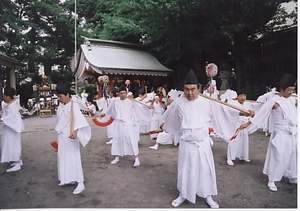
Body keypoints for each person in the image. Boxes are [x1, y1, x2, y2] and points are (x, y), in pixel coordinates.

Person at [162, 70, 252, 208]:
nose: (190, 93)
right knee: (185, 170)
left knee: (205, 169)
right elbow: (169, 117)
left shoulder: (207, 102)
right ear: (183, 89)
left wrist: (242, 112)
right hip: (187, 143)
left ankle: (208, 195)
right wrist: (164, 125)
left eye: (193, 89)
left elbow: (224, 111)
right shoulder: (179, 103)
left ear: (198, 89)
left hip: (202, 142)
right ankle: (183, 194)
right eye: (187, 89)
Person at [239, 74, 297, 192]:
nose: (291, 92)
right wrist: (247, 124)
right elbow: (260, 115)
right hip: (280, 133)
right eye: (289, 90)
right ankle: (272, 179)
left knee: (294, 155)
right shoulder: (274, 101)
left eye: (293, 90)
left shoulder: (292, 100)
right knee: (278, 156)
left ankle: (293, 176)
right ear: (282, 89)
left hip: (293, 133)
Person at [55, 82, 91, 195]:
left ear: (67, 94)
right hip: (62, 136)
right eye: (58, 96)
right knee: (63, 157)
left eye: (61, 96)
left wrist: (75, 131)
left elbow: (79, 120)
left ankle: (80, 182)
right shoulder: (61, 105)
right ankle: (68, 178)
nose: (59, 99)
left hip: (70, 136)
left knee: (73, 158)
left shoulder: (73, 105)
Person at [100, 85, 149, 167]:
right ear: (118, 94)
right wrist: (104, 114)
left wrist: (149, 107)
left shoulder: (131, 101)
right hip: (118, 123)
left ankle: (136, 158)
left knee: (131, 139)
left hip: (128, 123)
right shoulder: (115, 101)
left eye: (124, 93)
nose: (123, 95)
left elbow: (140, 107)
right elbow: (109, 109)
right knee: (117, 139)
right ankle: (117, 156)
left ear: (126, 93)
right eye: (121, 93)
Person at [1, 87, 25, 172]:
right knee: (10, 144)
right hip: (8, 128)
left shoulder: (13, 105)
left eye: (4, 95)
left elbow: (13, 117)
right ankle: (18, 160)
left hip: (13, 128)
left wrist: (3, 119)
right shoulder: (8, 103)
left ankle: (17, 163)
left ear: (8, 96)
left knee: (13, 145)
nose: (3, 96)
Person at [226, 89, 252, 166]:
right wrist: (243, 113)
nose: (243, 98)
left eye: (244, 96)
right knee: (233, 141)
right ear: (238, 96)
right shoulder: (233, 103)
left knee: (244, 141)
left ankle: (243, 156)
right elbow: (231, 111)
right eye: (241, 95)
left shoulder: (247, 104)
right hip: (236, 124)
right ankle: (229, 158)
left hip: (244, 125)